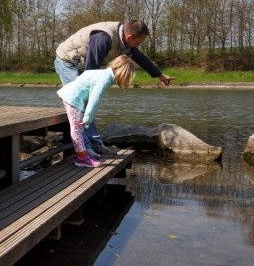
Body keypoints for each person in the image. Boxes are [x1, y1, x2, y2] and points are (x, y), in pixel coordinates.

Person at [54, 19, 175, 156]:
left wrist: (159, 75)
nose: (138, 45)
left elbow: (140, 58)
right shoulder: (103, 39)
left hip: (82, 64)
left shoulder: (125, 41)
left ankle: (94, 144)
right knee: (81, 103)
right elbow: (90, 74)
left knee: (86, 106)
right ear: (130, 37)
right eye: (138, 42)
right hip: (67, 61)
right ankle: (88, 148)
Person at [57, 54, 137, 167]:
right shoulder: (105, 79)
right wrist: (88, 118)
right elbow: (94, 99)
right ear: (122, 72)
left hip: (73, 95)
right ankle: (82, 158)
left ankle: (85, 153)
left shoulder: (104, 74)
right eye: (126, 77)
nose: (126, 80)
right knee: (77, 129)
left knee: (77, 128)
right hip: (73, 97)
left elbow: (86, 76)